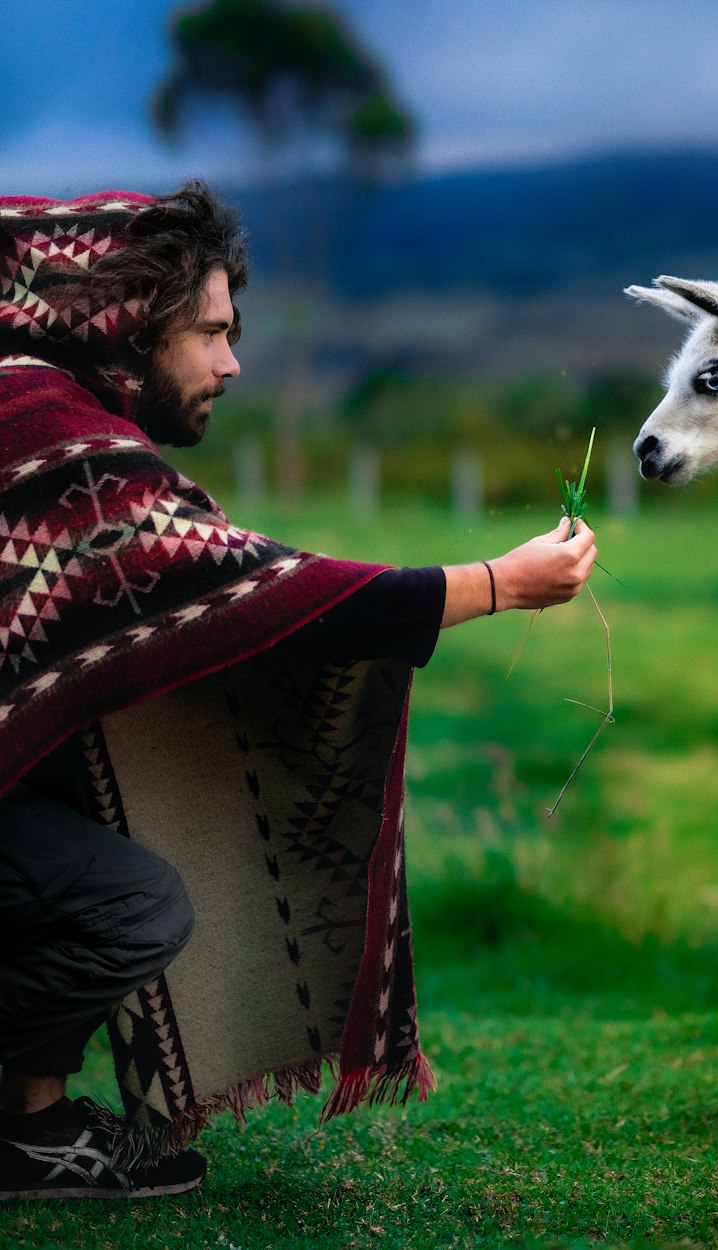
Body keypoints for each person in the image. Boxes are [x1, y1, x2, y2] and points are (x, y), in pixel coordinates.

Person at [0, 183, 596, 1200]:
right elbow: (245, 588)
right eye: (211, 333)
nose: (230, 364)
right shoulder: (51, 436)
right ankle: (23, 1130)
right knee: (131, 901)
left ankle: (30, 1121)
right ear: (132, 325)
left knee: (75, 780)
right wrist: (497, 584)